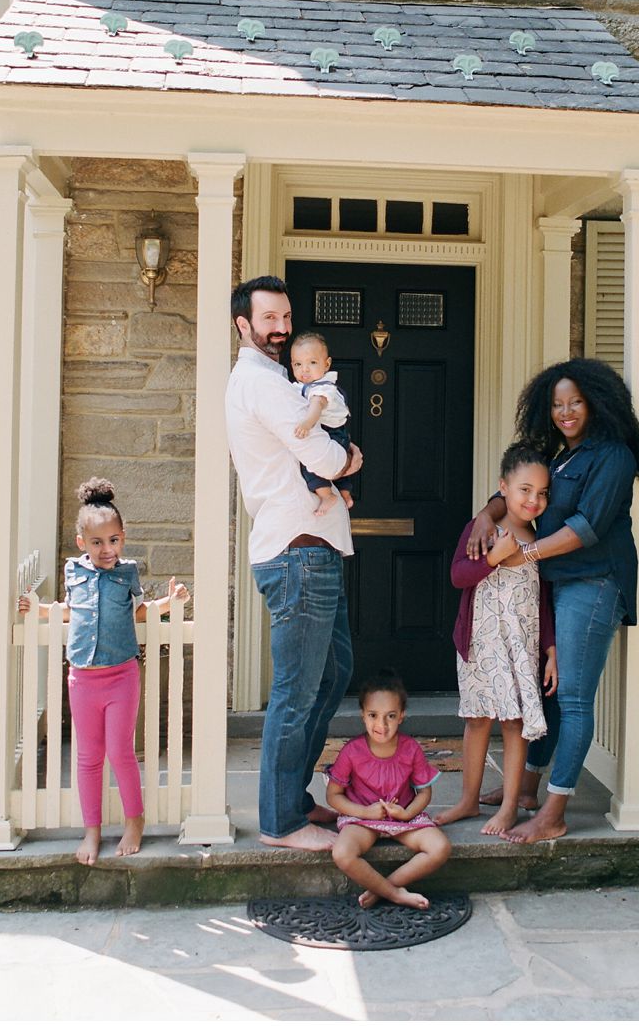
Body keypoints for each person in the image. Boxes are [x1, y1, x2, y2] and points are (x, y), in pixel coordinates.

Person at [463, 358, 639, 845]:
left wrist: (523, 552)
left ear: (596, 404)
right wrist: (488, 512)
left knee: (570, 697)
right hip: (552, 585)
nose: (565, 412)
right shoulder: (555, 452)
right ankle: (525, 788)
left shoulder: (613, 456)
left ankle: (554, 811)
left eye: (575, 402)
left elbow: (587, 528)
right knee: (544, 689)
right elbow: (519, 488)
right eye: (556, 404)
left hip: (592, 584)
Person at [225, 275, 365, 852]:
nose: (281, 328)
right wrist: (351, 457)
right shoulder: (263, 384)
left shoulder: (280, 380)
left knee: (332, 675)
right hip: (298, 553)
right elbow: (326, 455)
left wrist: (341, 461)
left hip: (315, 547)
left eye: (285, 317)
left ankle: (294, 795)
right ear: (244, 325)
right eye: (269, 319)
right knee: (297, 691)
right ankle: (281, 820)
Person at [17, 478, 189, 865]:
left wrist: (170, 601)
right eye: (97, 542)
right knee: (89, 756)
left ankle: (135, 821)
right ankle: (91, 830)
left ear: (122, 539)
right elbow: (68, 609)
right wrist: (38, 608)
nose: (106, 549)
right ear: (82, 543)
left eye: (113, 540)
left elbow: (139, 612)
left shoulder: (127, 573)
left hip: (121, 675)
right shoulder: (73, 572)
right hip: (82, 677)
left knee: (121, 752)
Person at [437, 442, 559, 836]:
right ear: (502, 487)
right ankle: (468, 800)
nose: (534, 500)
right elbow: (458, 576)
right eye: (525, 489)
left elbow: (544, 600)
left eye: (542, 493)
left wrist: (550, 650)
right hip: (480, 644)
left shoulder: (540, 540)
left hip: (520, 649)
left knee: (514, 723)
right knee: (476, 721)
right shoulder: (484, 530)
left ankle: (509, 806)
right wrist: (492, 557)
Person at [326, 669, 452, 910]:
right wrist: (365, 813)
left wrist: (406, 813)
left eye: (390, 716)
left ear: (402, 716)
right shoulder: (352, 752)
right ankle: (396, 895)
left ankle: (384, 889)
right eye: (373, 715)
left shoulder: (411, 749)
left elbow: (424, 793)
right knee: (342, 853)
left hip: (403, 818)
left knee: (440, 847)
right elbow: (333, 796)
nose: (381, 725)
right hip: (362, 819)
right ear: (363, 715)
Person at [289, 331, 354, 512]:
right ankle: (345, 494)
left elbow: (317, 405)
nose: (305, 369)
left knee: (310, 463)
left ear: (327, 364)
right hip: (336, 433)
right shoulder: (304, 386)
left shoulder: (323, 388)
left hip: (333, 433)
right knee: (341, 473)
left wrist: (306, 424)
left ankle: (327, 495)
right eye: (298, 364)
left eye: (312, 362)